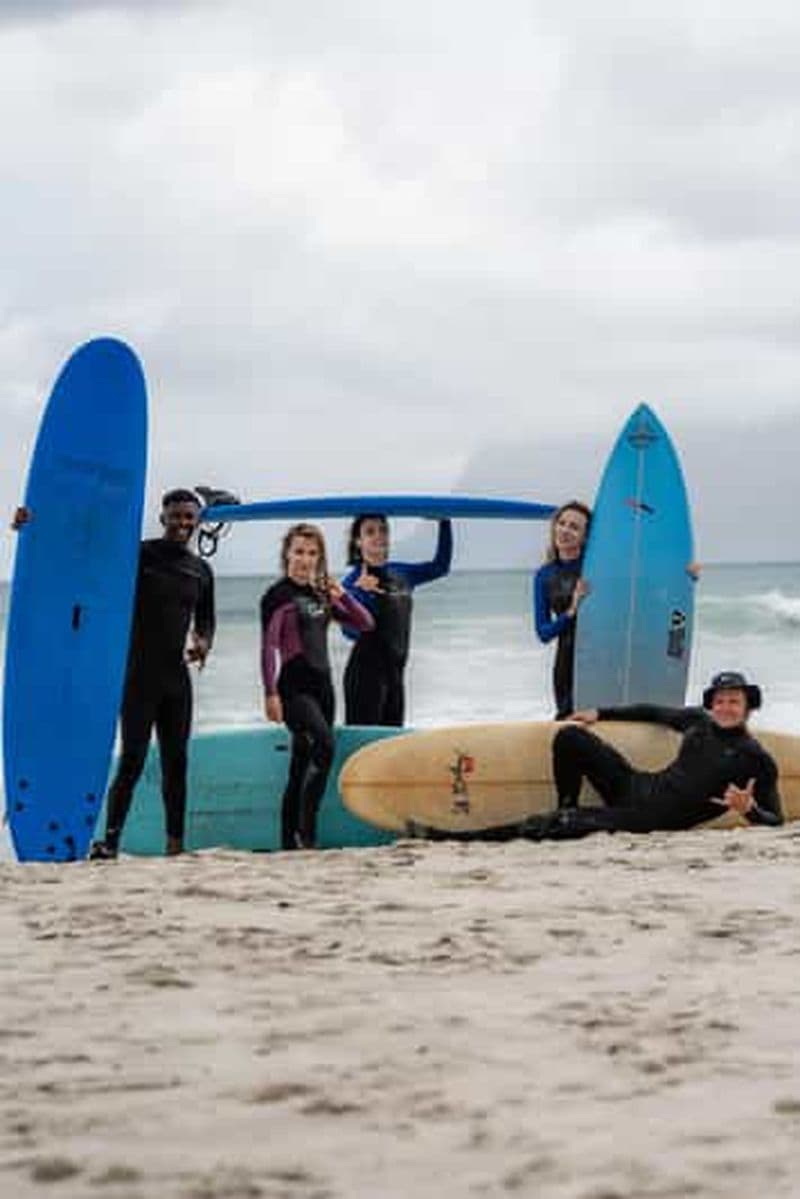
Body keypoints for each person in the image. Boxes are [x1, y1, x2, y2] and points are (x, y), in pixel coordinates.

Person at [410, 671, 783, 842]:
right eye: (719, 700)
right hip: (637, 785)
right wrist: (601, 713)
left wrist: (748, 809)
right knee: (571, 737)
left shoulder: (755, 759)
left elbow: (775, 822)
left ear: (748, 707)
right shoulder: (696, 722)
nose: (725, 707)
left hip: (649, 819)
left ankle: (445, 837)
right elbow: (652, 712)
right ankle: (567, 805)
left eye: (734, 701)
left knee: (544, 825)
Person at [89, 489, 215, 859]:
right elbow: (94, 558)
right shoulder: (140, 555)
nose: (182, 524)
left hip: (176, 679)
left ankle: (175, 845)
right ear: (163, 518)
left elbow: (206, 620)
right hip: (138, 676)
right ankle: (110, 842)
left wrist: (203, 643)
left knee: (177, 763)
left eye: (189, 517)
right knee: (132, 759)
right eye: (175, 516)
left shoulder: (201, 570)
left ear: (197, 521)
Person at [261, 522, 374, 850]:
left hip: (324, 689)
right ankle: (305, 834)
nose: (305, 559)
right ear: (287, 554)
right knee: (324, 745)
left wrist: (344, 596)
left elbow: (365, 623)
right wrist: (270, 694)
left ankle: (288, 842)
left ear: (319, 557)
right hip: (293, 689)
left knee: (300, 765)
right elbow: (268, 647)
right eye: (299, 552)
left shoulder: (322, 594)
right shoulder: (276, 596)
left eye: (312, 553)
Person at [341, 515, 453, 726]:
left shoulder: (402, 572)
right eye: (370, 531)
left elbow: (441, 566)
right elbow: (350, 632)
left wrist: (443, 521)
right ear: (358, 541)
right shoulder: (352, 583)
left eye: (383, 530)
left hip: (396, 676)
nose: (379, 536)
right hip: (365, 677)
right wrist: (365, 595)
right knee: (364, 748)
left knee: (390, 745)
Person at [532, 500, 591, 720]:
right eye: (562, 523)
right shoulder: (544, 576)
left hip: (601, 657)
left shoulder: (597, 567)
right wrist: (571, 610)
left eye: (574, 527)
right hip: (567, 664)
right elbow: (543, 633)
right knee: (569, 725)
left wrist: (686, 573)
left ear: (585, 537)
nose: (565, 530)